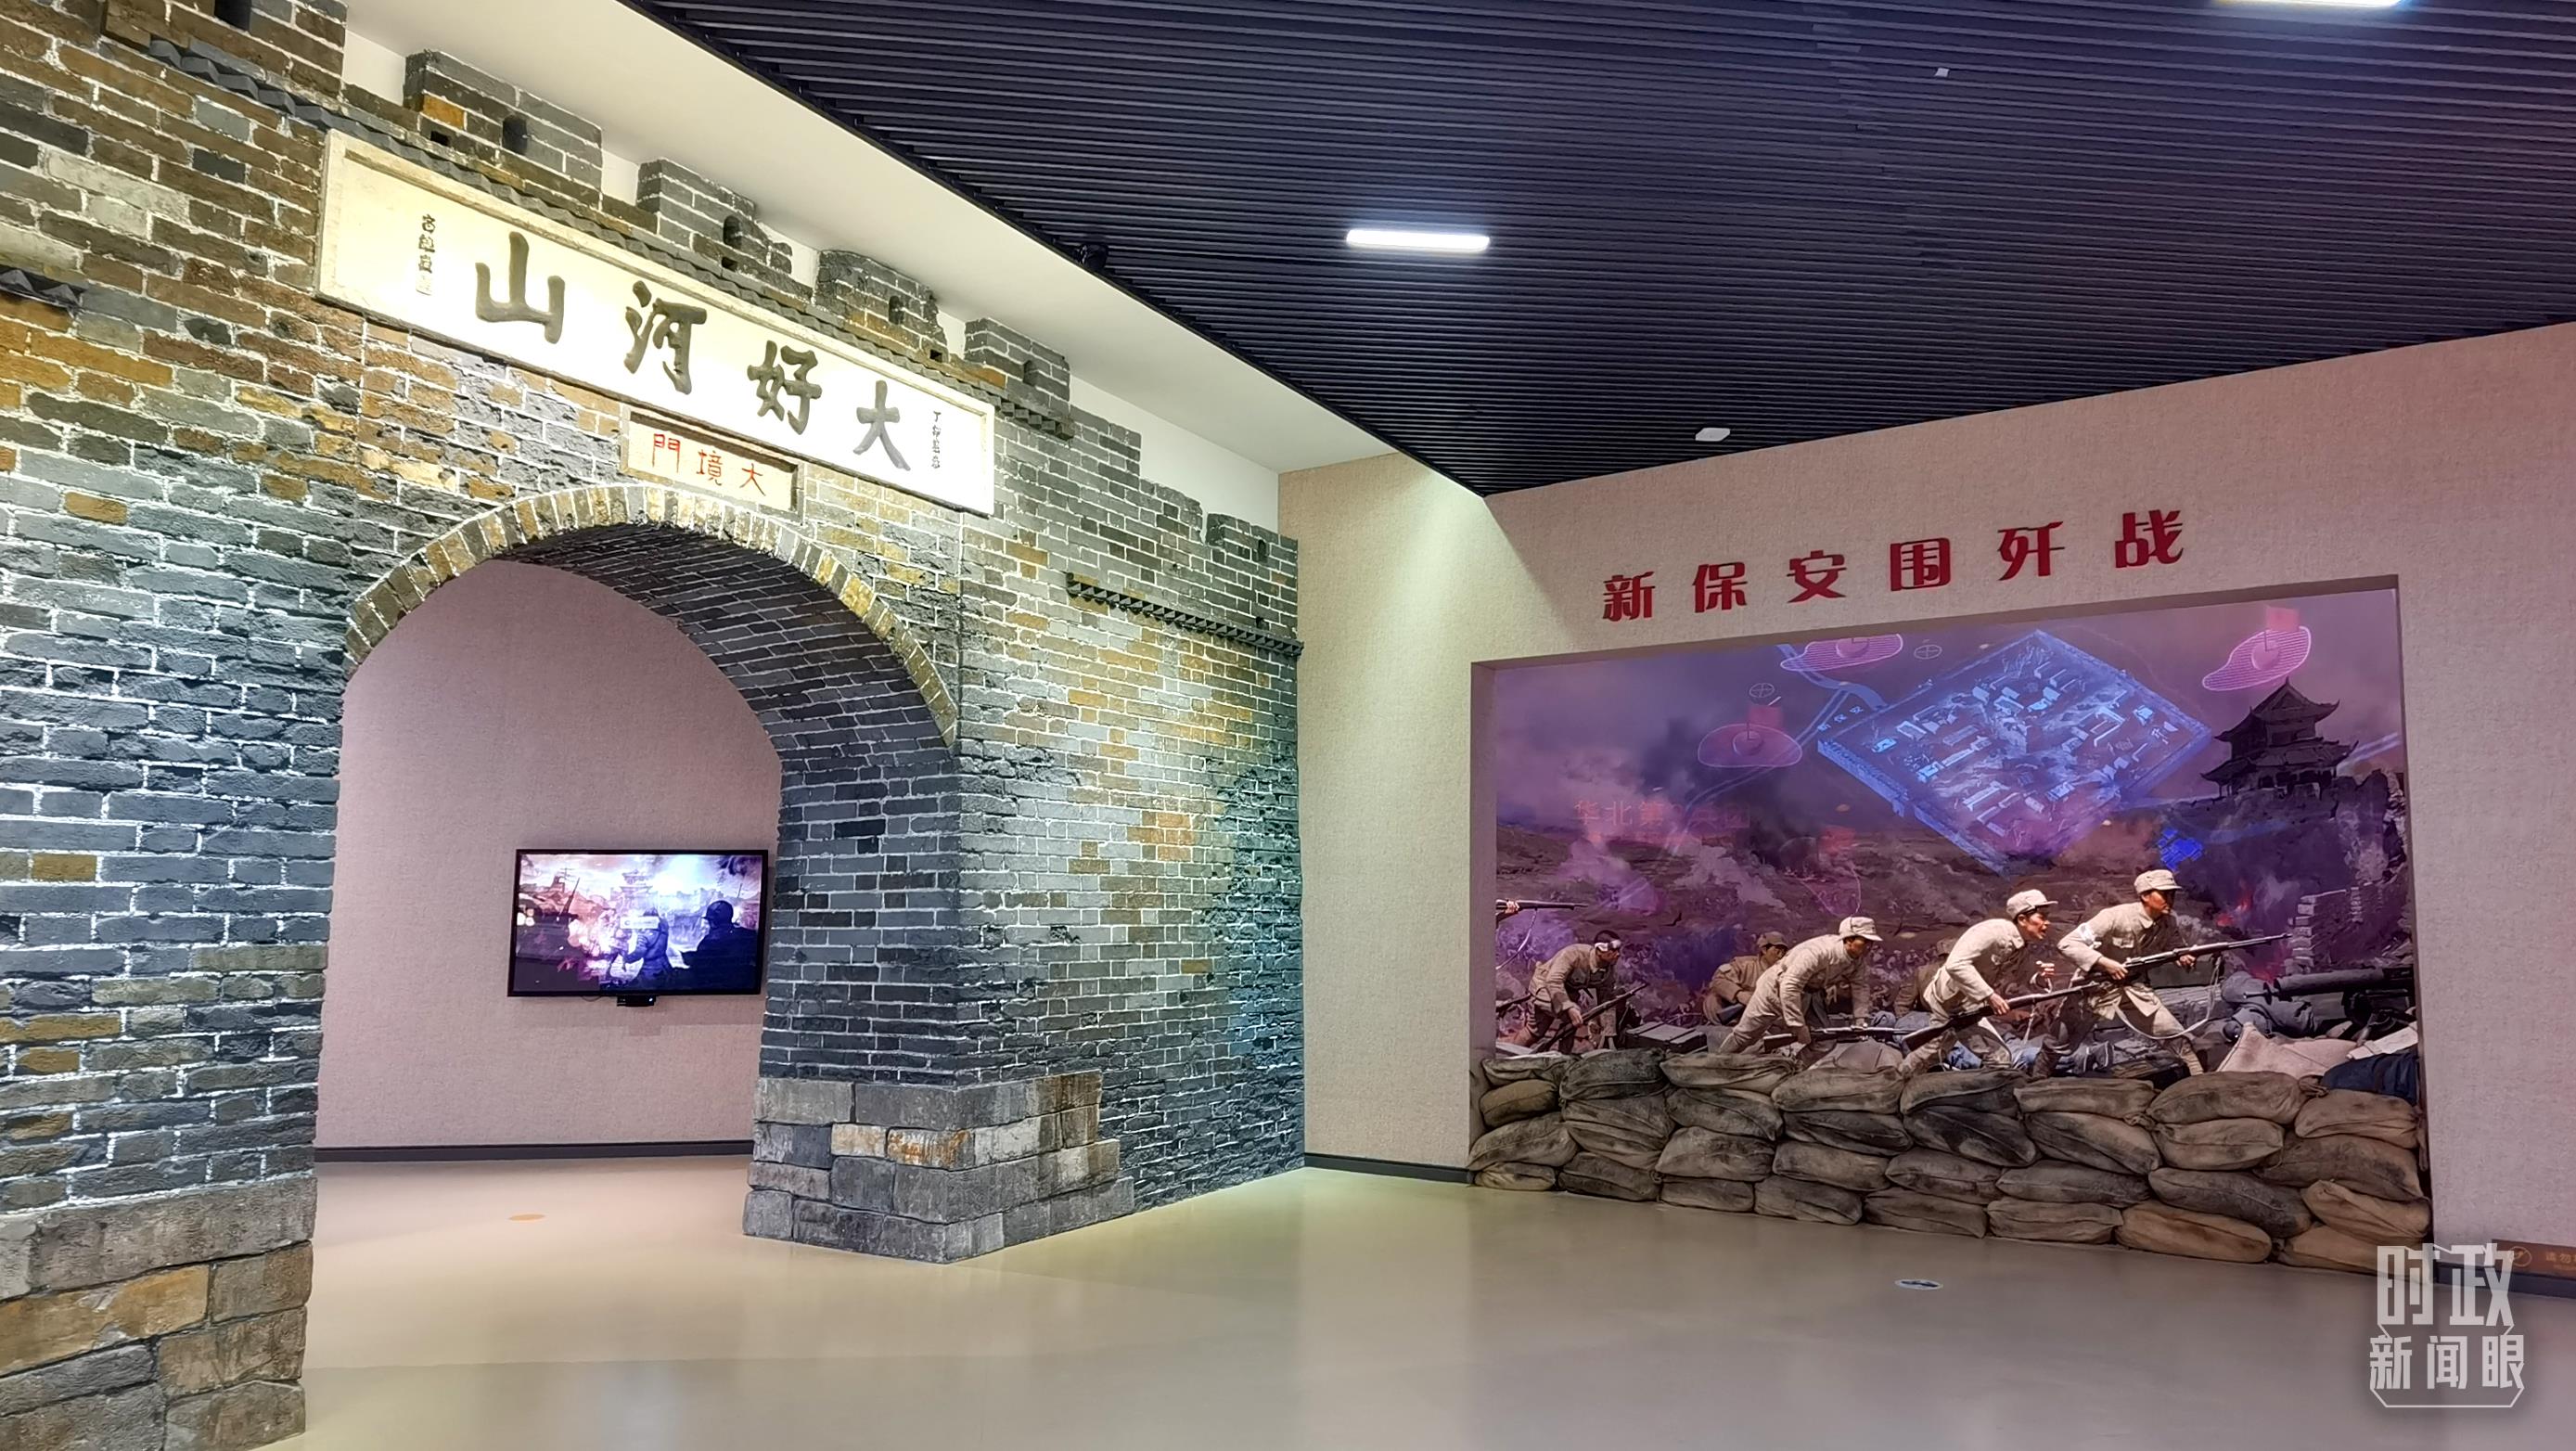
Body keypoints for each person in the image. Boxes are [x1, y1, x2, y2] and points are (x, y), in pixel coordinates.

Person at [2057, 868, 2206, 1075]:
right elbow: (2068, 943)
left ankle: (2200, 1078)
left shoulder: (2167, 923)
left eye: (2172, 894)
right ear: (2145, 895)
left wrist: (2184, 957)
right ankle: (2037, 1079)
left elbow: (2176, 947)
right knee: (2059, 1043)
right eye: (2164, 894)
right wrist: (2105, 963)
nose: (2169, 900)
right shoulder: (2114, 917)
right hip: (2094, 989)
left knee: (2173, 1034)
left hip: (2134, 989)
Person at [1900, 890, 2054, 1073]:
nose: (2047, 923)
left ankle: (1898, 1078)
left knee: (1933, 1051)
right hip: (1952, 1003)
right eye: (2042, 917)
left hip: (1968, 1005)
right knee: (1999, 1059)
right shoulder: (1991, 932)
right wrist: (1990, 996)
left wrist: (2040, 978)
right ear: (2022, 919)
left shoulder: (2021, 947)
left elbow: (2022, 977)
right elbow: (1956, 964)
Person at [1715, 917, 1881, 1056]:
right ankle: (1716, 1063)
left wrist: (1860, 1019)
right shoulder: (1817, 952)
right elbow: (1789, 985)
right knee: (1745, 1036)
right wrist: (1797, 1025)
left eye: (1871, 942)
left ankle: (1792, 1070)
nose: (1870, 946)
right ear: (1849, 939)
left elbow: (1861, 987)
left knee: (1825, 1041)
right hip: (1774, 990)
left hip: (1809, 995)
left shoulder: (1857, 961)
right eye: (1865, 941)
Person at [1518, 931, 1623, 1052]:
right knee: (1537, 1031)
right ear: (1599, 950)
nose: (1618, 954)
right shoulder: (1574, 954)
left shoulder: (1607, 970)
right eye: (1613, 950)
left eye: (1618, 950)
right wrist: (1568, 1007)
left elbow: (1607, 1001)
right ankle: (1508, 1053)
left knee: (1569, 1021)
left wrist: (1609, 1033)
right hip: (1545, 986)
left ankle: (1563, 1056)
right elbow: (1554, 981)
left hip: (1566, 992)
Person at [1700, 931, 1788, 1023]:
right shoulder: (1744, 965)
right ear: (1764, 950)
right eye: (1777, 951)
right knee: (1714, 998)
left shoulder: (1784, 974)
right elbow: (1718, 980)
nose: (1780, 956)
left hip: (1762, 1019)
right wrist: (1739, 994)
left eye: (1783, 952)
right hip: (1733, 1014)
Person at [684, 899, 761, 983]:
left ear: (713, 922)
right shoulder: (749, 935)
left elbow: (700, 969)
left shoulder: (710, 941)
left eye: (709, 921)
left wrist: (692, 959)